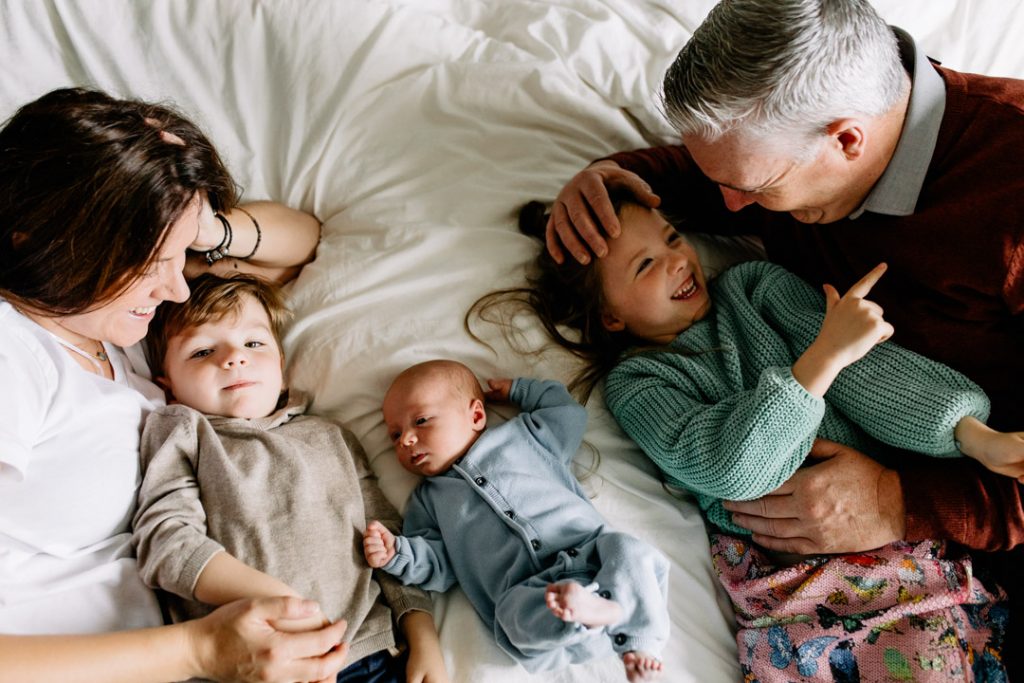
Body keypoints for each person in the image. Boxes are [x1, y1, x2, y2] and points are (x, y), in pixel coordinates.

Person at [544, 0, 1024, 671]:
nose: (727, 208)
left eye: (754, 189)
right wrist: (611, 183)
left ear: (847, 140)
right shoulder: (794, 149)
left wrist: (903, 501)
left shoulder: (1009, 188)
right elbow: (695, 184)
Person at [496, 198, 1010, 679]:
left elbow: (867, 375)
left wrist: (970, 433)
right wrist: (820, 361)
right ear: (611, 316)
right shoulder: (640, 384)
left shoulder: (753, 288)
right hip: (783, 582)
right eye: (644, 266)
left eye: (673, 239)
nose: (676, 261)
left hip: (889, 549)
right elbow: (729, 468)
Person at [0, 87, 349, 682]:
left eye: (179, 255)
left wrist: (194, 223)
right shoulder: (15, 352)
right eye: (151, 262)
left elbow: (300, 242)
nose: (178, 288)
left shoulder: (111, 324)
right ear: (48, 238)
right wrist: (198, 651)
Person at [134, 273, 448, 683]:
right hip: (249, 662)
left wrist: (421, 633)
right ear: (168, 386)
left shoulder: (329, 436)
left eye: (253, 343)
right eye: (203, 350)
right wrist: (279, 600)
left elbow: (388, 540)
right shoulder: (185, 432)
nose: (233, 358)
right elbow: (167, 542)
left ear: (281, 365)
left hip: (364, 652)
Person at [362, 360, 669, 682]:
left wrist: (520, 391)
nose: (406, 440)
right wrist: (397, 553)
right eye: (395, 435)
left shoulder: (526, 437)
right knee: (510, 615)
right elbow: (438, 566)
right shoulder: (428, 501)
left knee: (627, 549)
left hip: (589, 552)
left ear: (477, 415)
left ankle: (634, 635)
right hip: (529, 591)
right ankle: (585, 614)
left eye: (421, 421)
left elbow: (568, 413)